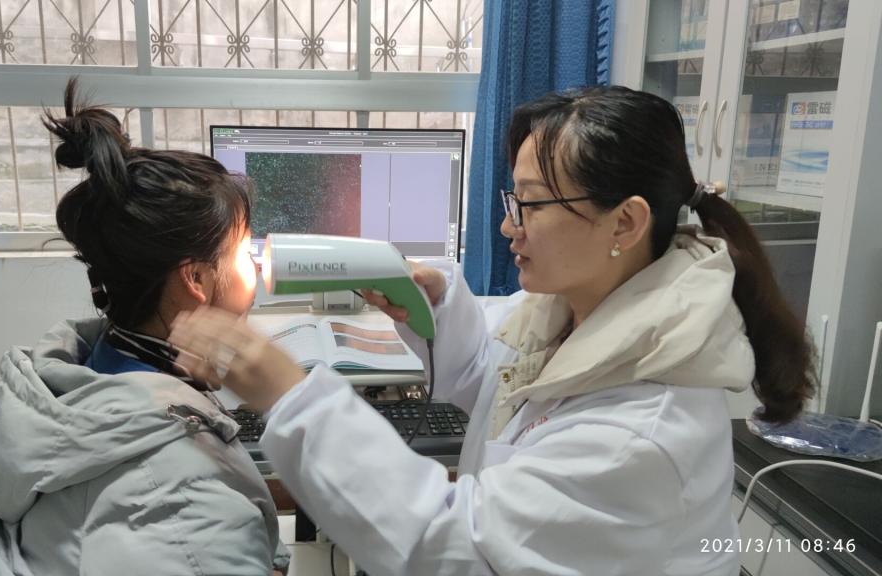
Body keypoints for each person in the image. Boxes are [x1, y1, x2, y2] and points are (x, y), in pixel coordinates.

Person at [167, 85, 816, 575]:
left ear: (625, 223)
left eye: (529, 204)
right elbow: (495, 377)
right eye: (513, 200)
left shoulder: (644, 433)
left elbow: (450, 542)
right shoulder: (577, 310)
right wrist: (437, 306)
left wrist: (289, 396)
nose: (509, 225)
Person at [0, 79, 289, 576]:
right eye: (245, 250)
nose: (259, 267)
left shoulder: (75, 373)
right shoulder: (186, 509)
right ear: (196, 279)